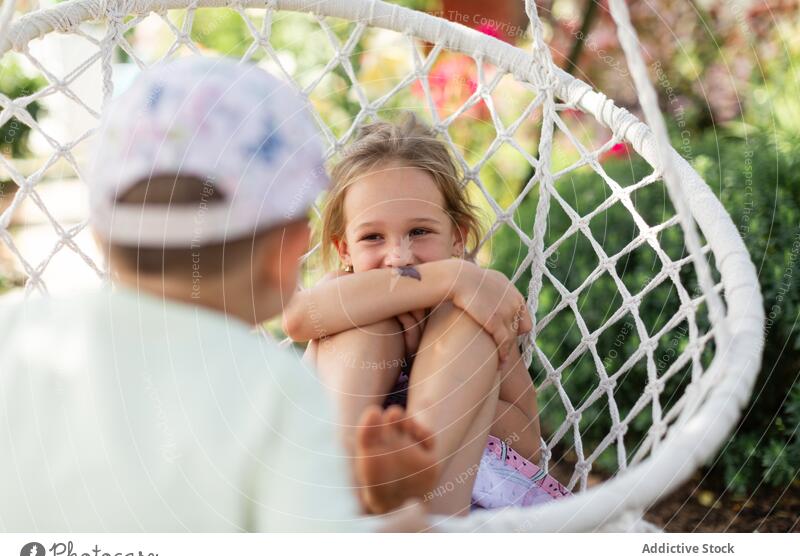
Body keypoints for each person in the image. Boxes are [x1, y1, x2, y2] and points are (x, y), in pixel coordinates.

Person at [0, 57, 438, 532]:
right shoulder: (274, 391)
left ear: (102, 234)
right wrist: (401, 508)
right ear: (288, 250)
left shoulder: (16, 334)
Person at [283, 116, 570, 516]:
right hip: (326, 475)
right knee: (363, 318)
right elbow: (295, 318)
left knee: (467, 325)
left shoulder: (478, 308)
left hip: (446, 499)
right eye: (372, 237)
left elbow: (527, 443)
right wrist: (450, 276)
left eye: (419, 231)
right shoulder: (340, 293)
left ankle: (405, 482)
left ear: (458, 235)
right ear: (344, 249)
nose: (398, 256)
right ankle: (342, 480)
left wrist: (455, 384)